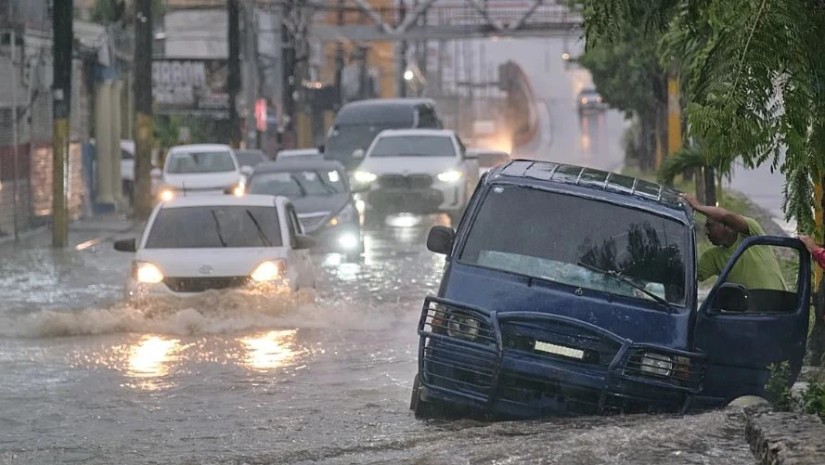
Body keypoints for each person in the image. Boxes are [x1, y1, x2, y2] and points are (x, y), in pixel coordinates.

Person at [682, 193, 787, 290]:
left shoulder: (751, 233)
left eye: (710, 225)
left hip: (780, 306)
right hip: (750, 310)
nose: (706, 231)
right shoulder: (713, 257)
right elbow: (688, 277)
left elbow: (725, 216)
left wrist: (698, 207)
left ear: (727, 226)